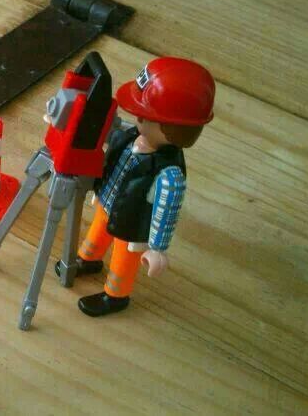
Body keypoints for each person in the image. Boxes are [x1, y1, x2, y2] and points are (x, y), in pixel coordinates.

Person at [56, 57, 215, 316]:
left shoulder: (169, 174)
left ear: (172, 129)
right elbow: (110, 134)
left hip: (132, 225)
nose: (136, 117)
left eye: (144, 115)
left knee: (123, 258)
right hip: (109, 202)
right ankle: (89, 260)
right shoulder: (131, 136)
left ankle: (115, 295)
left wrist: (157, 248)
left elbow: (167, 211)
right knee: (97, 232)